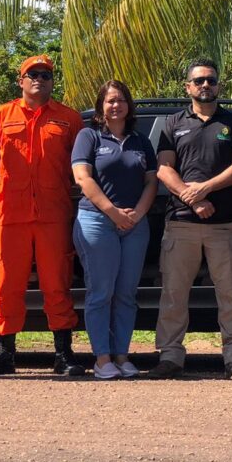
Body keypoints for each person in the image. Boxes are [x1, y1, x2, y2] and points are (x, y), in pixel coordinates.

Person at [0, 55, 85, 377]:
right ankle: (4, 355)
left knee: (57, 284)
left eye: (46, 75)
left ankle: (63, 355)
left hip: (54, 215)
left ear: (53, 82)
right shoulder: (0, 115)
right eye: (32, 74)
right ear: (21, 81)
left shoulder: (69, 119)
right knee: (7, 284)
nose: (39, 79)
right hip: (12, 215)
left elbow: (79, 165)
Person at [146, 59, 232, 380]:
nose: (205, 85)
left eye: (211, 80)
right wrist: (191, 199)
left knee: (231, 293)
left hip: (225, 225)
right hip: (181, 222)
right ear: (188, 87)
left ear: (219, 85)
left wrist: (204, 190)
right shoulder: (173, 123)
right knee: (173, 294)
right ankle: (170, 357)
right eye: (199, 81)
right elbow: (164, 168)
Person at [70, 81, 158, 380]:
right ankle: (102, 358)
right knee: (101, 292)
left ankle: (122, 355)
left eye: (121, 100)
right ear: (101, 106)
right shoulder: (89, 136)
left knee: (126, 294)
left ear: (129, 105)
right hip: (97, 221)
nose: (115, 105)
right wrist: (113, 212)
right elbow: (83, 178)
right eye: (109, 101)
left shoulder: (140, 141)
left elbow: (151, 183)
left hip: (135, 224)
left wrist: (137, 214)